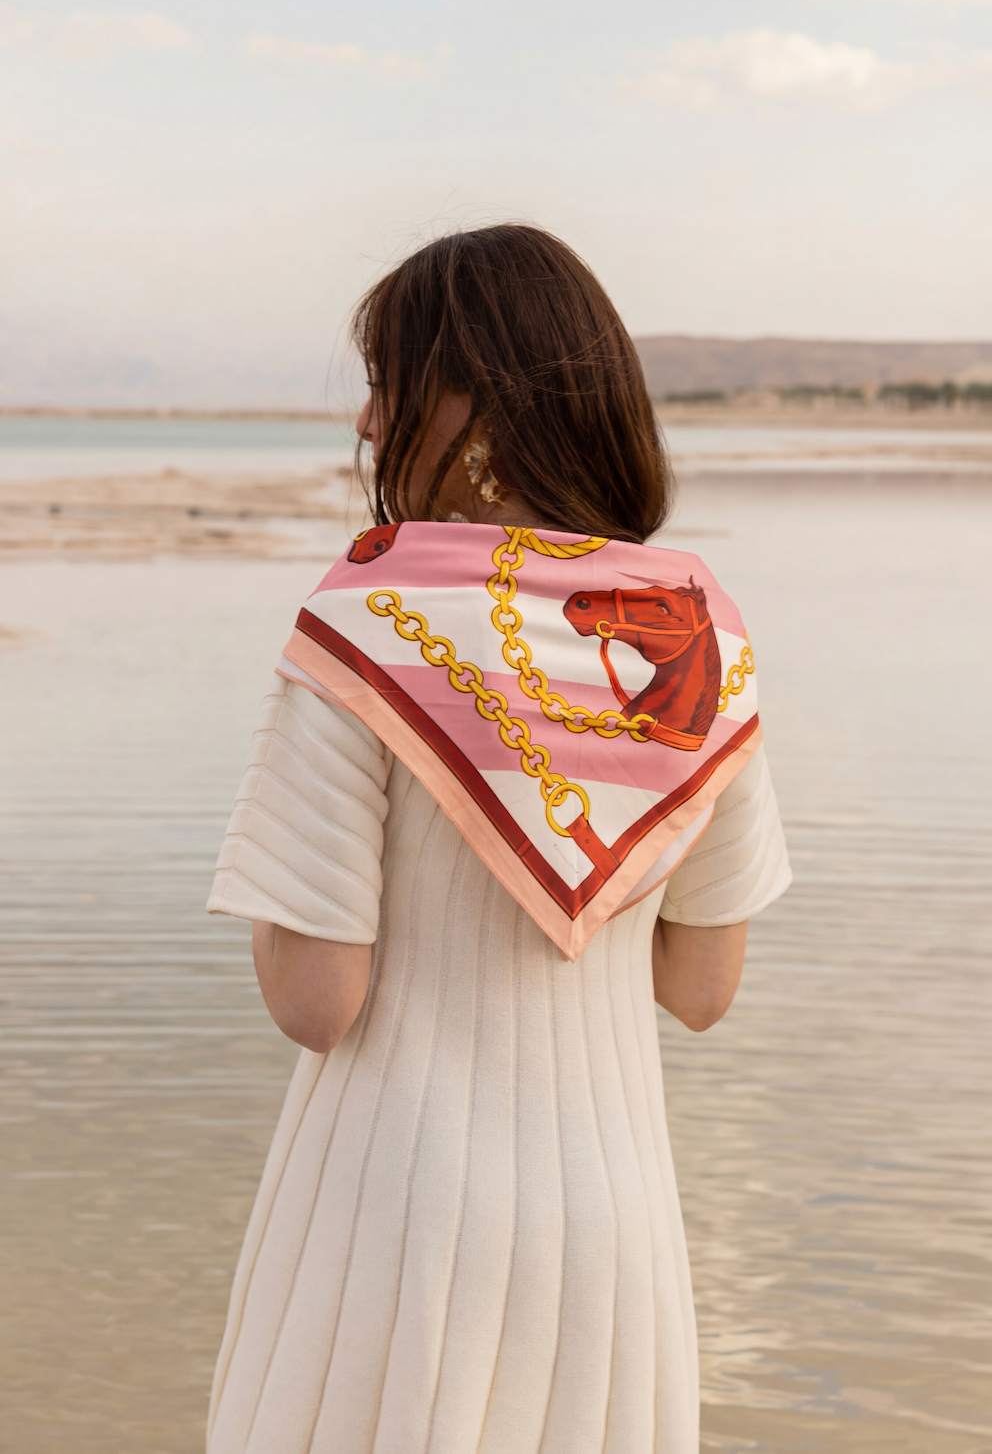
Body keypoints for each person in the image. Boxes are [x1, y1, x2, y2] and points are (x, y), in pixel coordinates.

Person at [204, 224, 791, 1454]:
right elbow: (702, 987)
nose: (367, 423)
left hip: (388, 1218)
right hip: (612, 1231)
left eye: (387, 381)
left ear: (471, 404)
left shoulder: (367, 613)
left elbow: (317, 997)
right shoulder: (703, 637)